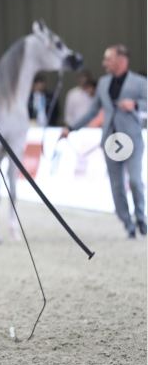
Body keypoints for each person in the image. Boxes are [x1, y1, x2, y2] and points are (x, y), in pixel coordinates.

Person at [61, 44, 147, 238]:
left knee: (134, 180)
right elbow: (92, 112)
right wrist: (72, 128)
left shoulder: (140, 82)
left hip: (131, 139)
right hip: (110, 140)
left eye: (108, 59)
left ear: (121, 60)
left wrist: (135, 104)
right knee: (116, 186)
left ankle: (141, 216)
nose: (104, 63)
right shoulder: (103, 83)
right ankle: (127, 223)